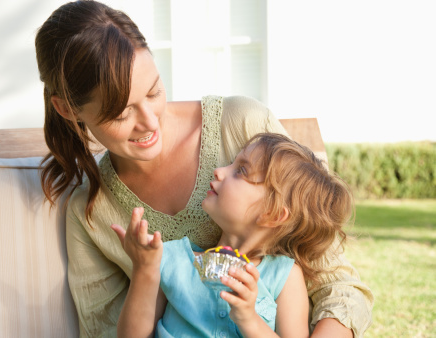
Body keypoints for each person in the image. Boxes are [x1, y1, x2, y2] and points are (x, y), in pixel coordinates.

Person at [34, 1, 373, 337]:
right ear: (67, 109)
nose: (151, 122)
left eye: (154, 92)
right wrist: (147, 273)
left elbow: (337, 285)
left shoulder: (243, 127)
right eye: (122, 114)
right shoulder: (91, 214)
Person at [112, 133, 354, 337]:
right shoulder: (172, 259)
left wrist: (249, 320)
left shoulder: (284, 276)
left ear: (272, 213)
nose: (219, 171)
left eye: (240, 170)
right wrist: (144, 271)